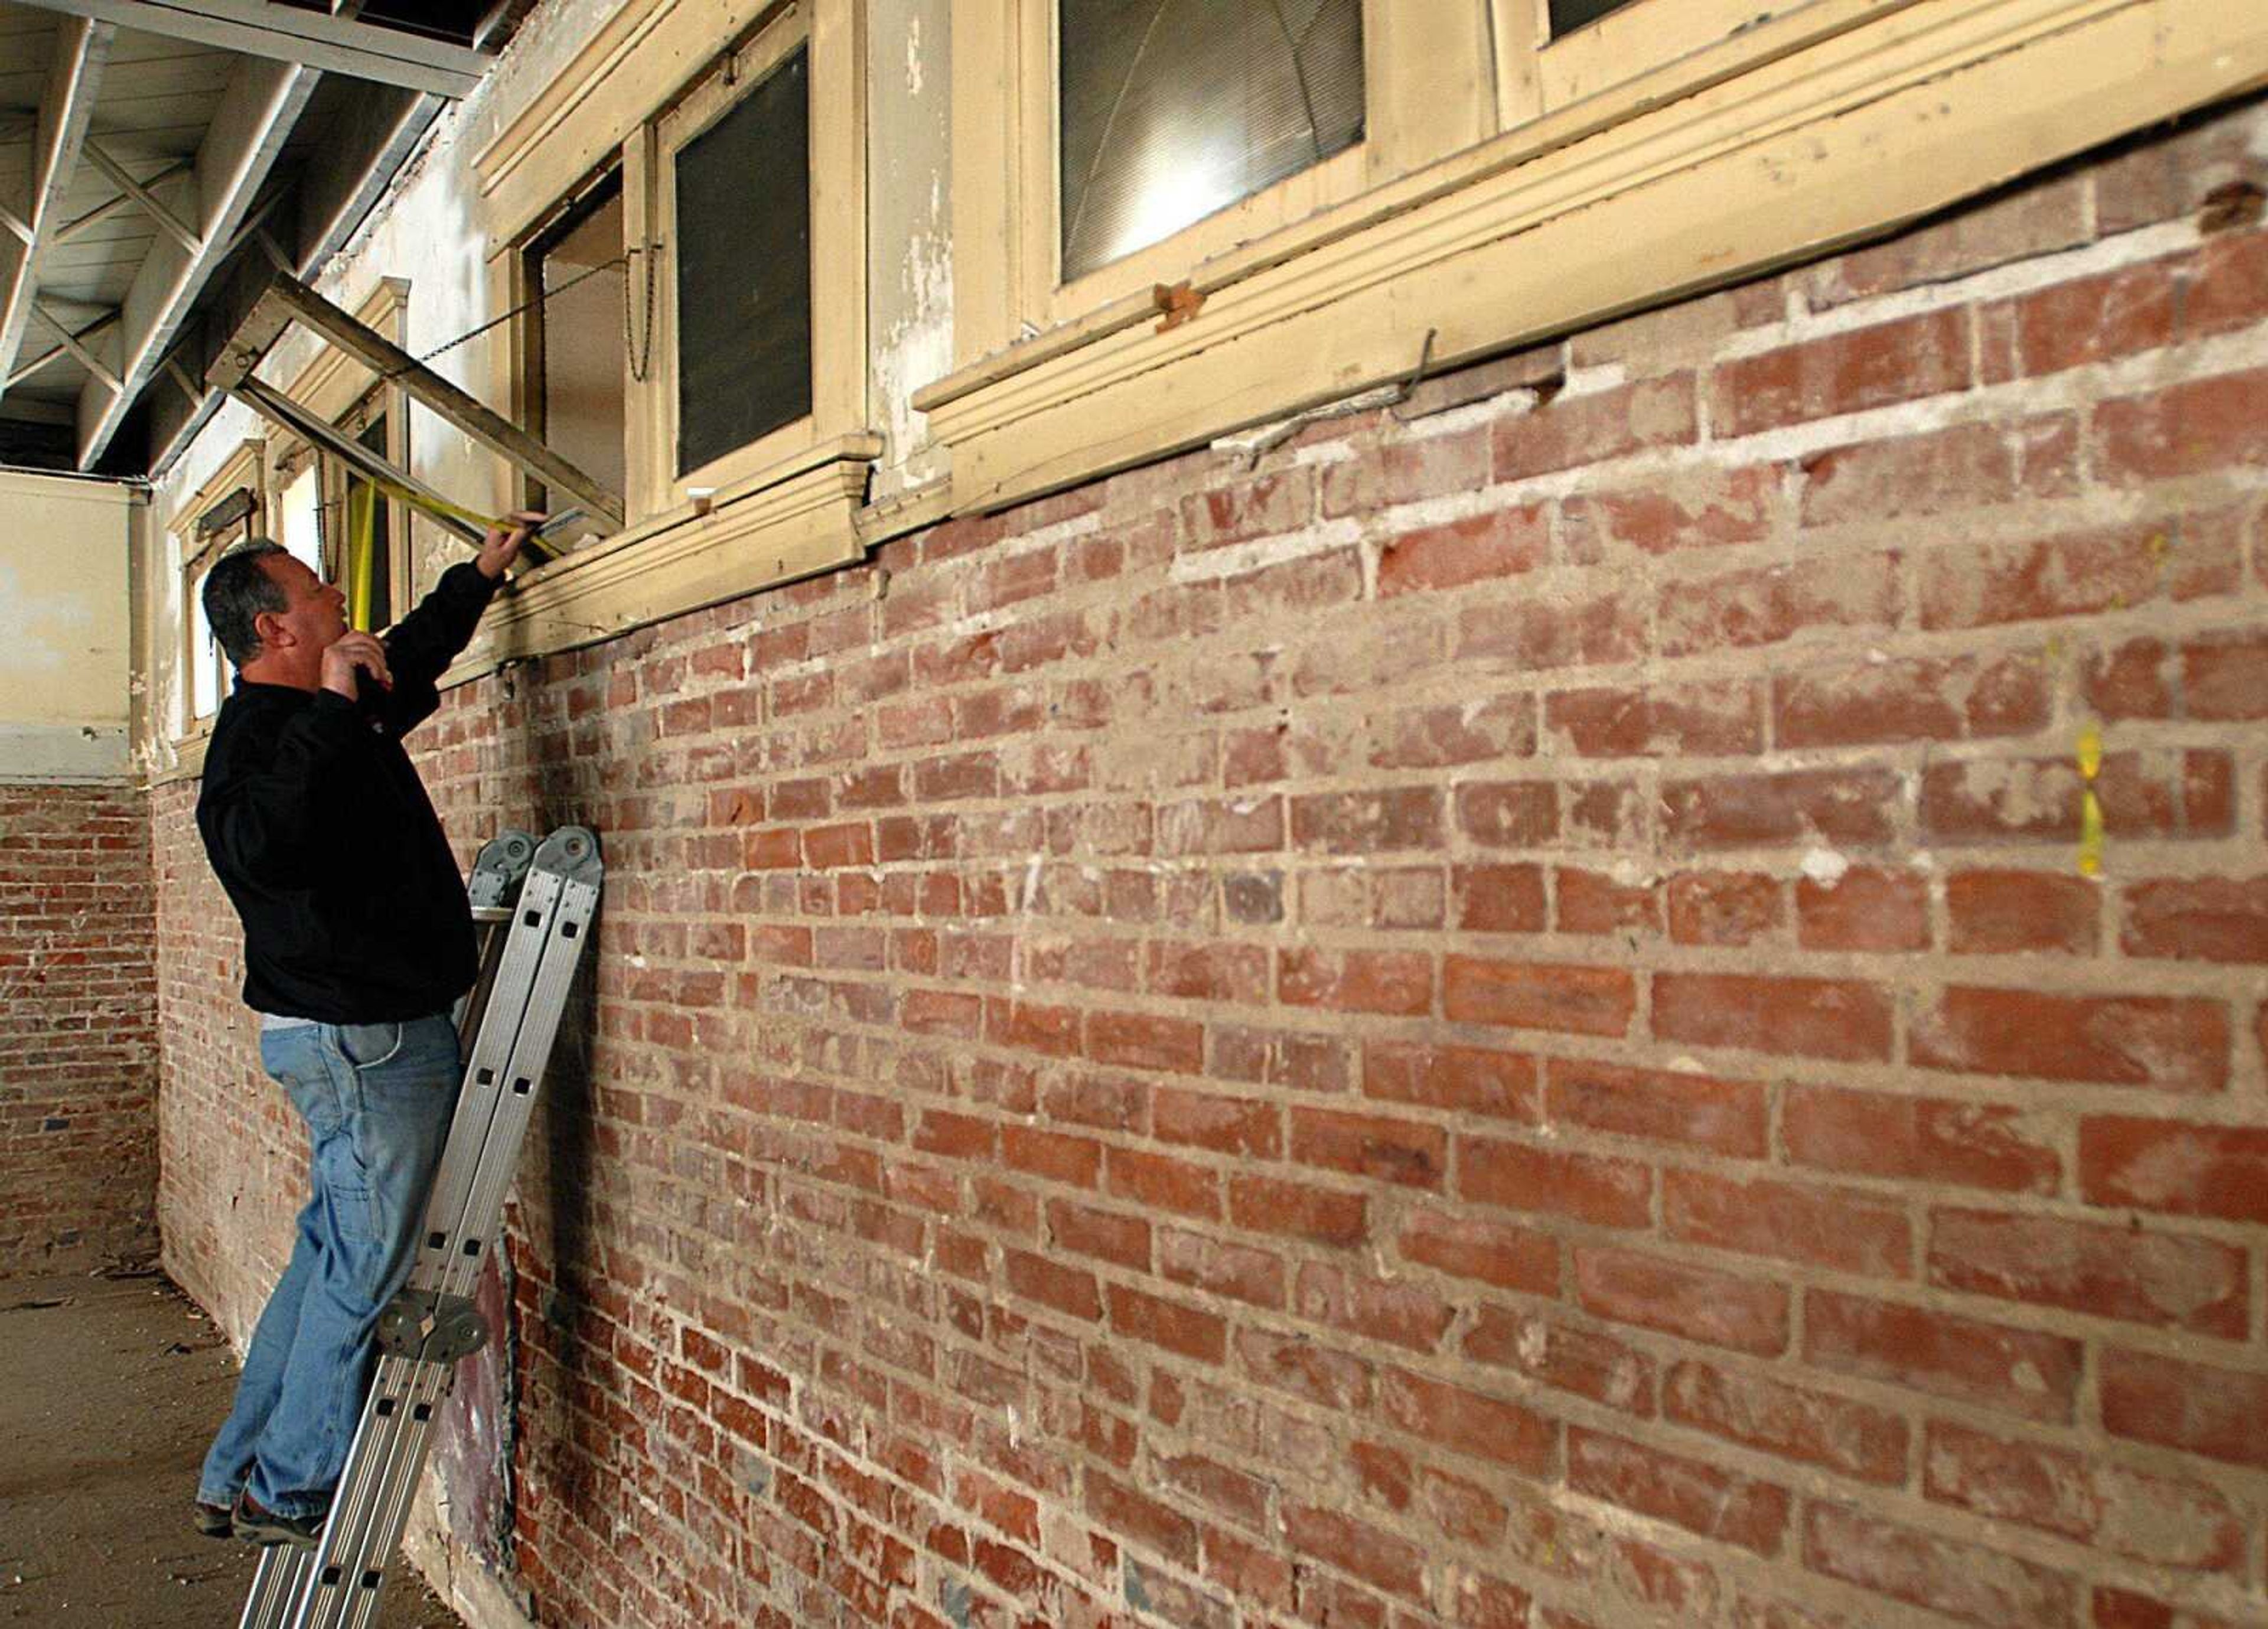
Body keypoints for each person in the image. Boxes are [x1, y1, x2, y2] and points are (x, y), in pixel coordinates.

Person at [189, 513, 539, 1548]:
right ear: (274, 629)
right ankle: (294, 1488)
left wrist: (478, 576)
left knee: (327, 1258)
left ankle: (240, 1468)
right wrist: (336, 717)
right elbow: (260, 851)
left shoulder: (327, 707)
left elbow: (409, 653)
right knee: (366, 1270)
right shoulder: (262, 738)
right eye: (317, 594)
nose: (339, 598)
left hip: (355, 1042)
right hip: (363, 1045)